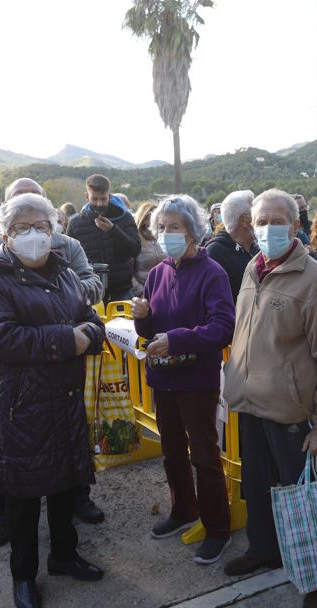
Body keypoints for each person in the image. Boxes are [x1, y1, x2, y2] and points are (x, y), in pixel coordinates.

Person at [0, 193, 107, 608]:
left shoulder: (66, 274)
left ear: (54, 231)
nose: (33, 236)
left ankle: (64, 555)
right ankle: (24, 574)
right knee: (24, 495)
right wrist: (68, 339)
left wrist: (88, 332)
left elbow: (93, 321)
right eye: (22, 229)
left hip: (66, 398)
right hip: (21, 406)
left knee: (66, 483)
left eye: (41, 227)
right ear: (6, 235)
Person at [222, 189, 317, 608]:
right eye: (261, 221)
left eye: (277, 220)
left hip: (293, 409)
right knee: (257, 485)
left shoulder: (316, 280)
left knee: (305, 494)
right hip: (249, 402)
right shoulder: (251, 270)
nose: (267, 228)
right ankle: (264, 548)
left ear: (295, 226)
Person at [132, 195, 236, 563]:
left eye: (173, 227)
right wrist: (142, 317)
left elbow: (223, 327)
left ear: (193, 230)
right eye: (161, 228)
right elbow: (149, 328)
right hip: (163, 379)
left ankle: (217, 526)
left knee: (205, 455)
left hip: (197, 380)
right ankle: (183, 509)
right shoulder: (159, 271)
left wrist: (176, 339)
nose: (165, 234)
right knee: (172, 450)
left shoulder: (213, 272)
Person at [67, 174, 142, 303]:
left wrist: (113, 230)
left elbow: (135, 249)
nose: (99, 203)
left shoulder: (125, 218)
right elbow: (68, 257)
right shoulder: (76, 223)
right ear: (87, 196)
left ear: (109, 195)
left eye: (103, 199)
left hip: (121, 290)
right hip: (88, 290)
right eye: (94, 199)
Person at [205, 190, 258, 302]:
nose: (262, 217)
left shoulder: (257, 249)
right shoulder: (215, 254)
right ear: (244, 220)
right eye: (257, 213)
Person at [131, 201, 166, 298]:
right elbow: (129, 272)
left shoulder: (164, 237)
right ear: (145, 219)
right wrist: (141, 292)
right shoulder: (136, 240)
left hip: (165, 292)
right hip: (142, 294)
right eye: (155, 215)